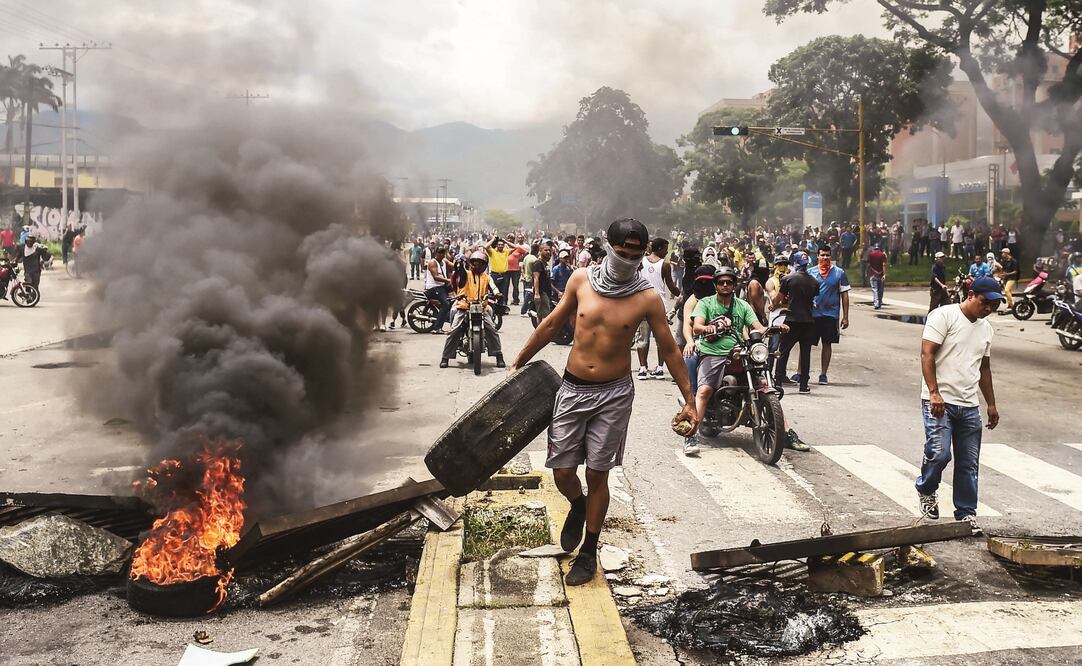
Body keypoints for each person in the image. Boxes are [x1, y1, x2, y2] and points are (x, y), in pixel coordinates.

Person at [509, 219, 697, 587]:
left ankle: (589, 551)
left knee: (598, 473)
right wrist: (519, 360)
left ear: (644, 255)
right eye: (621, 252)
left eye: (635, 254)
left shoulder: (646, 297)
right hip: (572, 389)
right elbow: (550, 325)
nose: (627, 260)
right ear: (607, 247)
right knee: (563, 473)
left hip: (614, 394)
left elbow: (669, 348)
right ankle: (578, 506)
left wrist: (689, 398)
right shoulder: (581, 280)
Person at [915, 276, 1001, 534]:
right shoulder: (944, 316)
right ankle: (927, 489)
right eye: (985, 303)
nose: (988, 309)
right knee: (939, 454)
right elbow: (926, 353)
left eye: (994, 306)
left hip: (969, 404)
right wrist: (934, 392)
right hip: (939, 400)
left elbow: (984, 368)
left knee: (968, 463)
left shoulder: (986, 329)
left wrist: (991, 404)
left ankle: (965, 513)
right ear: (971, 294)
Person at [440, 251, 504, 369]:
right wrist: (459, 265)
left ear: (485, 265)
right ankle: (445, 357)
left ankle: (498, 355)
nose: (477, 265)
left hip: (481, 308)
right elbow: (461, 273)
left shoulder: (487, 277)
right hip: (464, 306)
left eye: (480, 263)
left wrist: (497, 293)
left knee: (492, 330)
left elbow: (494, 287)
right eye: (474, 263)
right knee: (453, 331)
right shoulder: (466, 274)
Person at [635, 238, 681, 379]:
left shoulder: (640, 261)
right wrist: (682, 294)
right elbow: (671, 286)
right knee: (661, 338)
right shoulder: (665, 265)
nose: (667, 252)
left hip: (642, 303)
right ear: (659, 248)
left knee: (642, 338)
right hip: (659, 305)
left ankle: (643, 368)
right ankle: (660, 368)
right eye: (665, 249)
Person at [773, 252, 817, 397]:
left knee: (783, 351)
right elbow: (812, 300)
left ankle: (778, 382)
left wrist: (772, 305)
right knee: (805, 353)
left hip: (791, 320)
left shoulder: (788, 279)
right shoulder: (814, 281)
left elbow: (777, 300)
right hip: (808, 321)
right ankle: (804, 385)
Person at [810, 247, 850, 384]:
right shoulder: (811, 273)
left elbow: (844, 295)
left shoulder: (839, 273)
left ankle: (823, 374)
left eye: (827, 255)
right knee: (806, 344)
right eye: (822, 255)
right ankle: (800, 372)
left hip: (831, 314)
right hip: (813, 314)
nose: (825, 258)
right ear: (817, 256)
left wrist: (845, 316)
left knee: (827, 343)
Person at [424, 246, 452, 333]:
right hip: (433, 288)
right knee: (446, 304)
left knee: (455, 298)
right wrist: (448, 280)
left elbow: (454, 266)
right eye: (439, 252)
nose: (441, 254)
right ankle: (437, 328)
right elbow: (436, 277)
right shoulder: (432, 262)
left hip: (442, 287)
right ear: (435, 253)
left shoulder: (444, 261)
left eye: (443, 252)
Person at [486, 235, 514, 305]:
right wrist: (493, 239)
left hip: (504, 275)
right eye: (499, 245)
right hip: (494, 275)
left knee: (504, 292)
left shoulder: (506, 252)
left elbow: (516, 247)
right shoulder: (492, 252)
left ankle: (502, 307)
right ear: (496, 245)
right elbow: (486, 247)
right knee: (493, 292)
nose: (500, 246)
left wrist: (506, 241)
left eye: (502, 245)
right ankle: (493, 306)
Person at [532, 244, 554, 320]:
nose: (548, 252)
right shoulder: (538, 263)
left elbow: (547, 280)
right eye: (546, 250)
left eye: (549, 250)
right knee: (543, 317)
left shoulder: (545, 264)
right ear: (540, 251)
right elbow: (536, 278)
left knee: (544, 316)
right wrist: (537, 293)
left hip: (546, 292)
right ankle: (540, 332)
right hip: (541, 293)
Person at [505, 237, 528, 306]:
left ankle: (516, 300)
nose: (510, 240)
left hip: (516, 270)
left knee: (515, 286)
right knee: (505, 286)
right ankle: (504, 300)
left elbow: (526, 252)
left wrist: (521, 258)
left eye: (511, 239)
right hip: (506, 270)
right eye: (509, 239)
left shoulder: (518, 248)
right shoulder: (505, 248)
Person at [519, 244, 539, 317]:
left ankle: (527, 310)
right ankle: (524, 311)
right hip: (531, 280)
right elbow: (535, 272)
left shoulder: (527, 257)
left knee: (526, 295)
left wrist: (523, 275)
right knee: (528, 296)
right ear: (537, 250)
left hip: (526, 278)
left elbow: (522, 268)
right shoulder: (535, 260)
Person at [867, 243, 888, 309]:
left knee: (875, 289)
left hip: (873, 274)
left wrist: (866, 272)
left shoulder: (871, 254)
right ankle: (880, 302)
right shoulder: (882, 255)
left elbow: (869, 264)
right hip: (881, 274)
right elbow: (884, 265)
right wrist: (884, 274)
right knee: (880, 290)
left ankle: (876, 303)